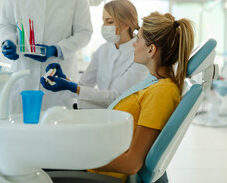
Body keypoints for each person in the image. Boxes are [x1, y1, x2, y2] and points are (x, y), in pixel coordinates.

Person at [62, 12, 193, 183]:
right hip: (95, 160)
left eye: (137, 39)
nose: (133, 45)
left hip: (98, 173)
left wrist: (77, 156)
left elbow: (131, 164)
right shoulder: (153, 83)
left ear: (151, 50)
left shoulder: (162, 92)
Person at [0, 0, 93, 113]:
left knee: (57, 132)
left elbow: (84, 33)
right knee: (23, 130)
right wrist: (8, 42)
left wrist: (56, 49)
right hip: (24, 75)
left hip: (56, 80)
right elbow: (7, 24)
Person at [41, 0, 148, 108]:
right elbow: (83, 85)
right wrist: (63, 81)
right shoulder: (103, 50)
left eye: (110, 22)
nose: (104, 26)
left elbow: (116, 97)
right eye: (103, 21)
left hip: (126, 116)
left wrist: (72, 87)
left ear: (126, 24)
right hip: (102, 114)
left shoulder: (140, 54)